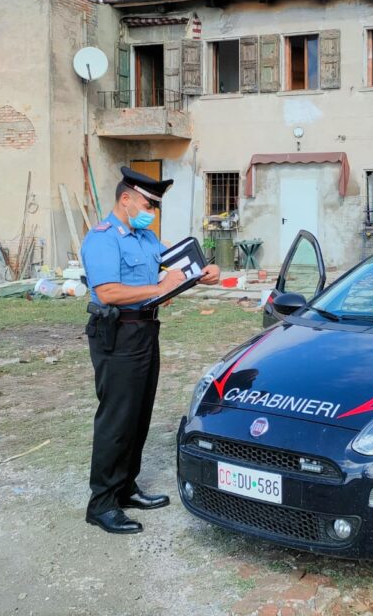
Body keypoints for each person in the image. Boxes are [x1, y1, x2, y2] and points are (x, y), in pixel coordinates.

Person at [81, 166, 221, 534]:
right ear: (125, 198)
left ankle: (126, 488)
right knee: (117, 419)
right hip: (117, 334)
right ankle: (102, 503)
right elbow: (109, 291)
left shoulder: (145, 239)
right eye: (148, 203)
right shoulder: (103, 239)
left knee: (139, 415)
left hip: (144, 331)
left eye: (156, 205)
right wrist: (158, 287)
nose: (152, 211)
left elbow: (173, 271)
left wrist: (203, 273)